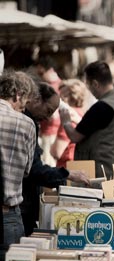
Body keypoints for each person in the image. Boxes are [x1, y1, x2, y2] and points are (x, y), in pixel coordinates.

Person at [0, 70, 38, 261]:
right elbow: (27, 170)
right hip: (7, 216)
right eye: (24, 100)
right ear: (17, 95)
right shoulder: (25, 124)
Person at [22, 82, 90, 235]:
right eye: (48, 110)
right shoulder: (26, 122)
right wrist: (67, 174)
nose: (48, 117)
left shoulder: (31, 121)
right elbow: (35, 168)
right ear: (36, 99)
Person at [59, 61, 114, 184]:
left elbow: (75, 136)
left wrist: (66, 121)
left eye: (88, 85)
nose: (89, 90)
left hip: (104, 176)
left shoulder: (102, 107)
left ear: (95, 84)